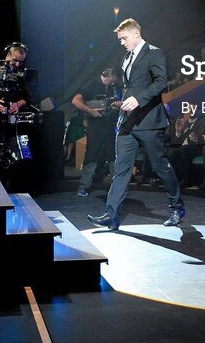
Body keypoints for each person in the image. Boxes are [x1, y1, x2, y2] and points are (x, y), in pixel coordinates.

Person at [88, 19, 185, 230]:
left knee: (160, 167)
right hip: (127, 122)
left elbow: (161, 82)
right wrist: (123, 102)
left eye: (123, 38)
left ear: (135, 34)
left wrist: (139, 99)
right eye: (120, 39)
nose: (121, 42)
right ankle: (111, 215)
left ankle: (176, 206)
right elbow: (132, 86)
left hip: (149, 121)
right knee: (121, 170)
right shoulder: (126, 58)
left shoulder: (153, 53)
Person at [73, 67, 121, 197]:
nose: (115, 82)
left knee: (112, 153)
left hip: (108, 124)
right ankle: (83, 186)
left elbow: (109, 104)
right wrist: (90, 111)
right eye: (115, 78)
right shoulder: (92, 84)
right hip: (95, 125)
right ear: (110, 75)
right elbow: (76, 100)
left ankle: (117, 187)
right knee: (92, 153)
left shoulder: (112, 88)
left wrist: (116, 105)